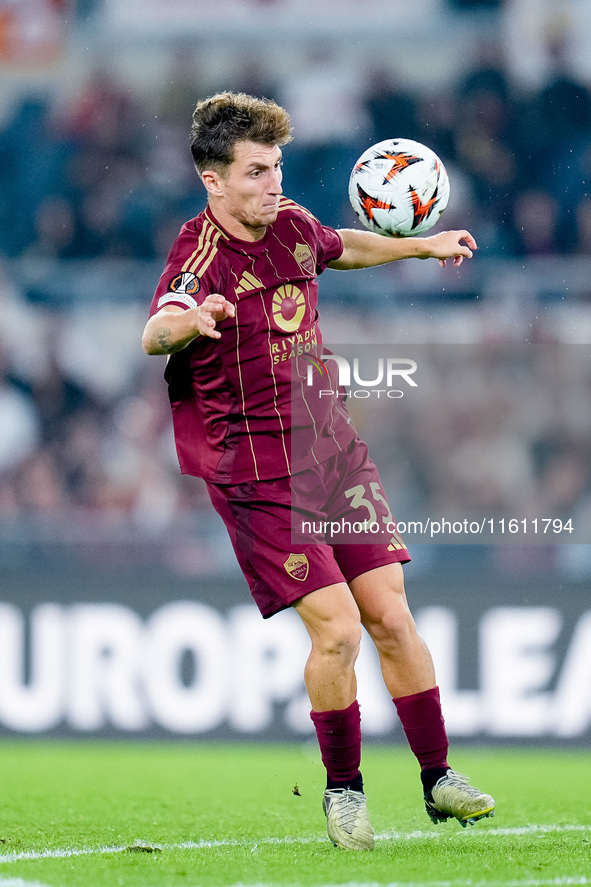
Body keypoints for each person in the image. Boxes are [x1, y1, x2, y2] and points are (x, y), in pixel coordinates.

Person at [142, 92, 495, 851]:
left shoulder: (292, 224)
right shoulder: (199, 255)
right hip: (257, 475)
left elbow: (339, 245)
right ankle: (343, 792)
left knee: (392, 620)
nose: (274, 184)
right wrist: (185, 324)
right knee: (335, 631)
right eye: (257, 172)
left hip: (332, 452)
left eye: (277, 167)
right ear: (213, 182)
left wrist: (419, 246)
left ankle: (438, 778)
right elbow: (156, 325)